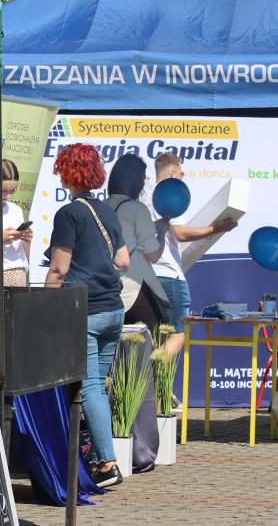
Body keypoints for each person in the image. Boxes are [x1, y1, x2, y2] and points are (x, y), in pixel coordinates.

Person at [44, 143, 130, 488]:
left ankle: (107, 464)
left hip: (86, 312)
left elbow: (59, 268)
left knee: (90, 387)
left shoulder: (68, 214)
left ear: (66, 172)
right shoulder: (107, 211)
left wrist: (45, 304)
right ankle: (96, 459)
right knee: (99, 387)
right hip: (114, 310)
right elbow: (123, 262)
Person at [151, 154, 238, 366]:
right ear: (173, 174)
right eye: (182, 173)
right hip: (170, 276)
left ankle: (159, 397)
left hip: (150, 274)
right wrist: (215, 229)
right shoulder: (172, 194)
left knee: (161, 336)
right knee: (178, 335)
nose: (183, 177)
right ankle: (148, 375)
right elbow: (181, 233)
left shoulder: (147, 198)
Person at [107, 154, 168, 328]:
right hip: (132, 286)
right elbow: (153, 255)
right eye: (143, 178)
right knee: (153, 339)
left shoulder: (103, 206)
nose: (144, 183)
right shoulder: (137, 208)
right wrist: (162, 231)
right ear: (135, 180)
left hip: (107, 288)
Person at [0, 159, 33, 287]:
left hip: (19, 275)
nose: (8, 195)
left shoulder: (15, 209)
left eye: (12, 190)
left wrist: (27, 241)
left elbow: (23, 255)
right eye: (3, 190)